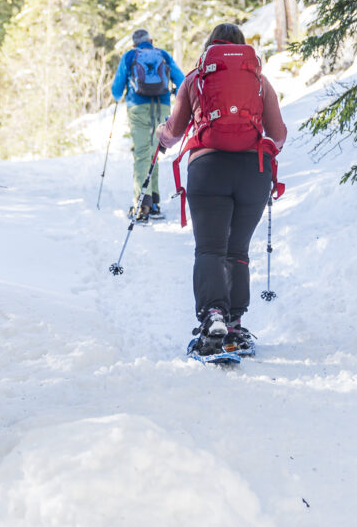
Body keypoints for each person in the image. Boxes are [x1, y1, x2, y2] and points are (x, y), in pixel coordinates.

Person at [156, 23, 287, 357]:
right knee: (238, 250)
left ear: (209, 45)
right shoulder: (258, 80)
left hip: (208, 169)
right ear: (243, 48)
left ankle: (213, 315)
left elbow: (174, 130)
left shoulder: (196, 78)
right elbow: (279, 134)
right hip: (252, 171)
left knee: (210, 249)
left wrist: (161, 136)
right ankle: (235, 324)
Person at [109, 29, 185, 221]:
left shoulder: (130, 56)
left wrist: (120, 96)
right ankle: (154, 202)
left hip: (138, 108)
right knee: (154, 151)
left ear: (135, 44)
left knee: (142, 153)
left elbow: (116, 90)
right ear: (151, 41)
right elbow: (182, 80)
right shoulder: (163, 55)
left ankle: (142, 204)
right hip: (162, 107)